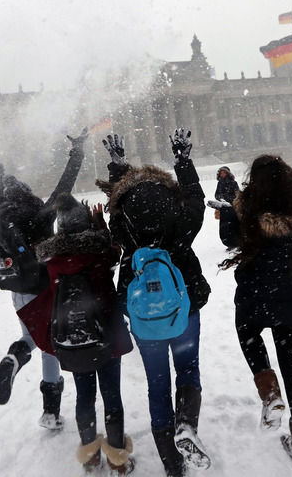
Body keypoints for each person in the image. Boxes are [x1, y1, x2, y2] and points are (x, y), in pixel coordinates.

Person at [96, 128, 212, 477]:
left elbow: (116, 209)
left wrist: (118, 169)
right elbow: (195, 198)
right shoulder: (180, 217)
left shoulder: (122, 223)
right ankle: (186, 426)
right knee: (188, 370)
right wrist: (183, 160)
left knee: (157, 384)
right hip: (184, 307)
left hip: (144, 316)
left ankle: (173, 467)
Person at [207, 154, 292, 470]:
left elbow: (229, 241)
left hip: (258, 293)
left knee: (247, 332)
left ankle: (270, 392)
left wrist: (232, 208)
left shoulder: (249, 206)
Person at [0, 128, 88, 431]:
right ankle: (49, 409)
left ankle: (16, 362)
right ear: (28, 193)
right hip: (44, 288)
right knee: (46, 345)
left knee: (33, 338)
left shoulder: (0, 215)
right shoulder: (39, 214)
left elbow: (2, 192)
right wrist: (77, 152)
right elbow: (66, 186)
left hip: (17, 289)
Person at [25, 194, 136, 474]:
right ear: (85, 225)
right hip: (107, 335)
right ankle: (117, 460)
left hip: (73, 339)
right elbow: (116, 252)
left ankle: (89, 456)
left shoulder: (53, 260)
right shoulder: (99, 253)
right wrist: (101, 227)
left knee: (84, 396)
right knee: (112, 396)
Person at [212, 166, 240, 249]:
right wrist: (220, 199)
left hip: (232, 208)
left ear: (228, 173)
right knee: (224, 227)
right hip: (223, 209)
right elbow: (216, 194)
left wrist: (226, 198)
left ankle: (235, 242)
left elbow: (236, 196)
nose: (222, 174)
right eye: (221, 173)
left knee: (233, 225)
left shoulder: (233, 183)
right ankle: (228, 242)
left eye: (224, 172)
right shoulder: (219, 183)